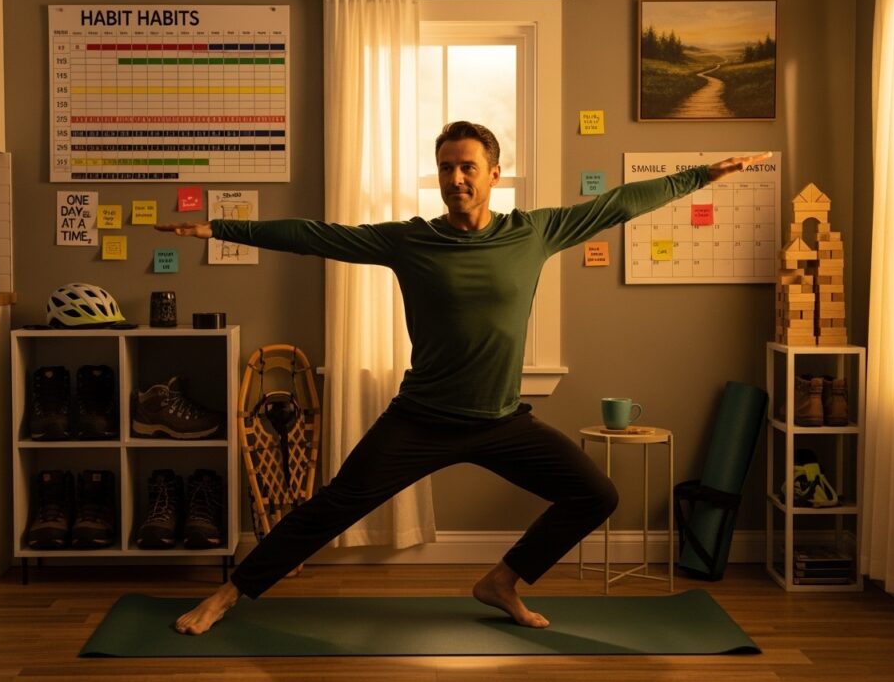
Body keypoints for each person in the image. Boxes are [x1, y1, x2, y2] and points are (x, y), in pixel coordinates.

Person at [157, 122, 771, 635]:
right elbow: (318, 237)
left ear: (493, 174)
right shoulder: (411, 241)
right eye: (447, 168)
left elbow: (618, 204)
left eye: (468, 167)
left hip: (503, 421)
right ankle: (228, 596)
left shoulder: (535, 232)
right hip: (421, 419)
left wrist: (701, 176)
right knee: (333, 507)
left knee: (596, 495)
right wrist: (220, 227)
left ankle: (501, 581)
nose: (456, 179)